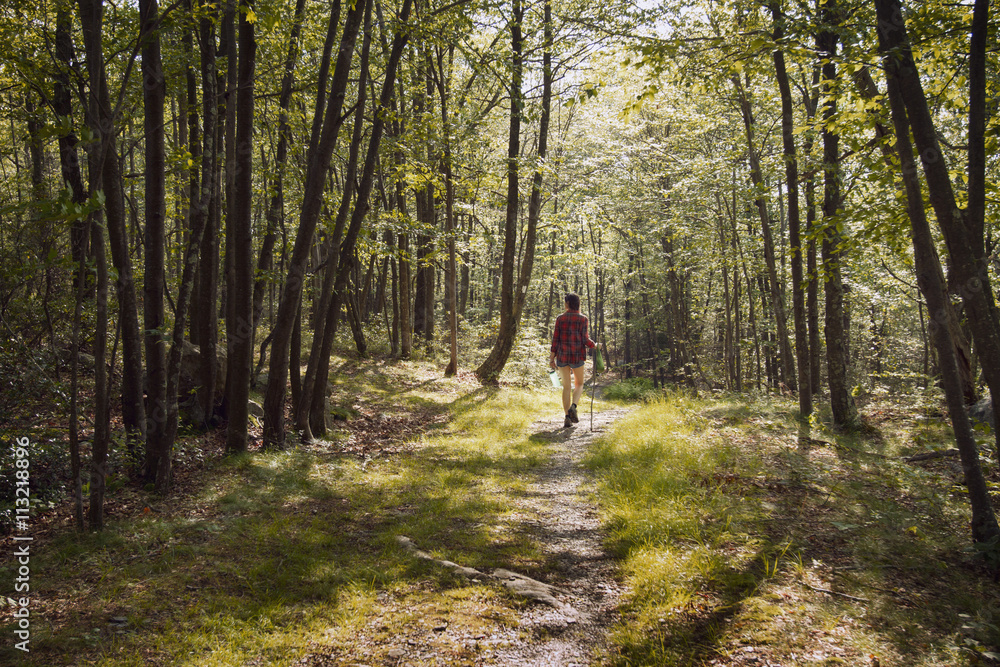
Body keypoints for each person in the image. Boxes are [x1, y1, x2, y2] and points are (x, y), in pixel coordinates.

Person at [550, 293, 596, 427]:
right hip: (577, 356)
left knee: (566, 387)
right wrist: (595, 345)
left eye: (565, 302)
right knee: (579, 384)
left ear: (568, 303)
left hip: (562, 356)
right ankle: (573, 407)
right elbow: (585, 340)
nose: (564, 304)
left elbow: (555, 340)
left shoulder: (560, 318)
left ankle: (567, 418)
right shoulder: (583, 319)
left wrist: (552, 358)